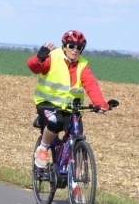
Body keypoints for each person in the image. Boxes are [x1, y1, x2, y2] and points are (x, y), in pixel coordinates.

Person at [28, 29, 111, 170]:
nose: (75, 50)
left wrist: (100, 104)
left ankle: (76, 183)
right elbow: (35, 67)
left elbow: (91, 84)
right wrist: (39, 58)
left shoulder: (82, 64)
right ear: (65, 46)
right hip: (48, 104)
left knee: (78, 139)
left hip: (71, 108)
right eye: (71, 46)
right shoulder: (53, 57)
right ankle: (43, 148)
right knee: (56, 122)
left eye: (79, 48)